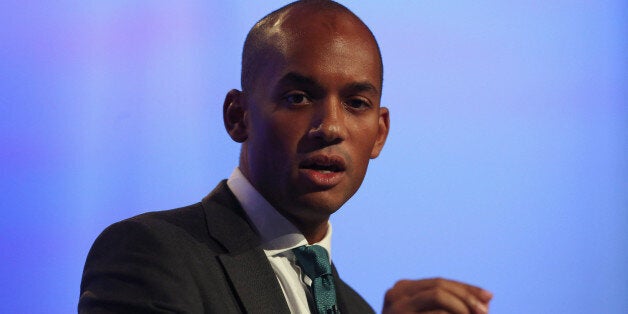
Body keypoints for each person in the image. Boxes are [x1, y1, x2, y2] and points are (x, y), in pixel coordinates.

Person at [79, 1, 493, 313]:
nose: (330, 127)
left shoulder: (355, 308)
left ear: (379, 134)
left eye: (356, 103)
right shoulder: (151, 254)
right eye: (298, 97)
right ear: (238, 116)